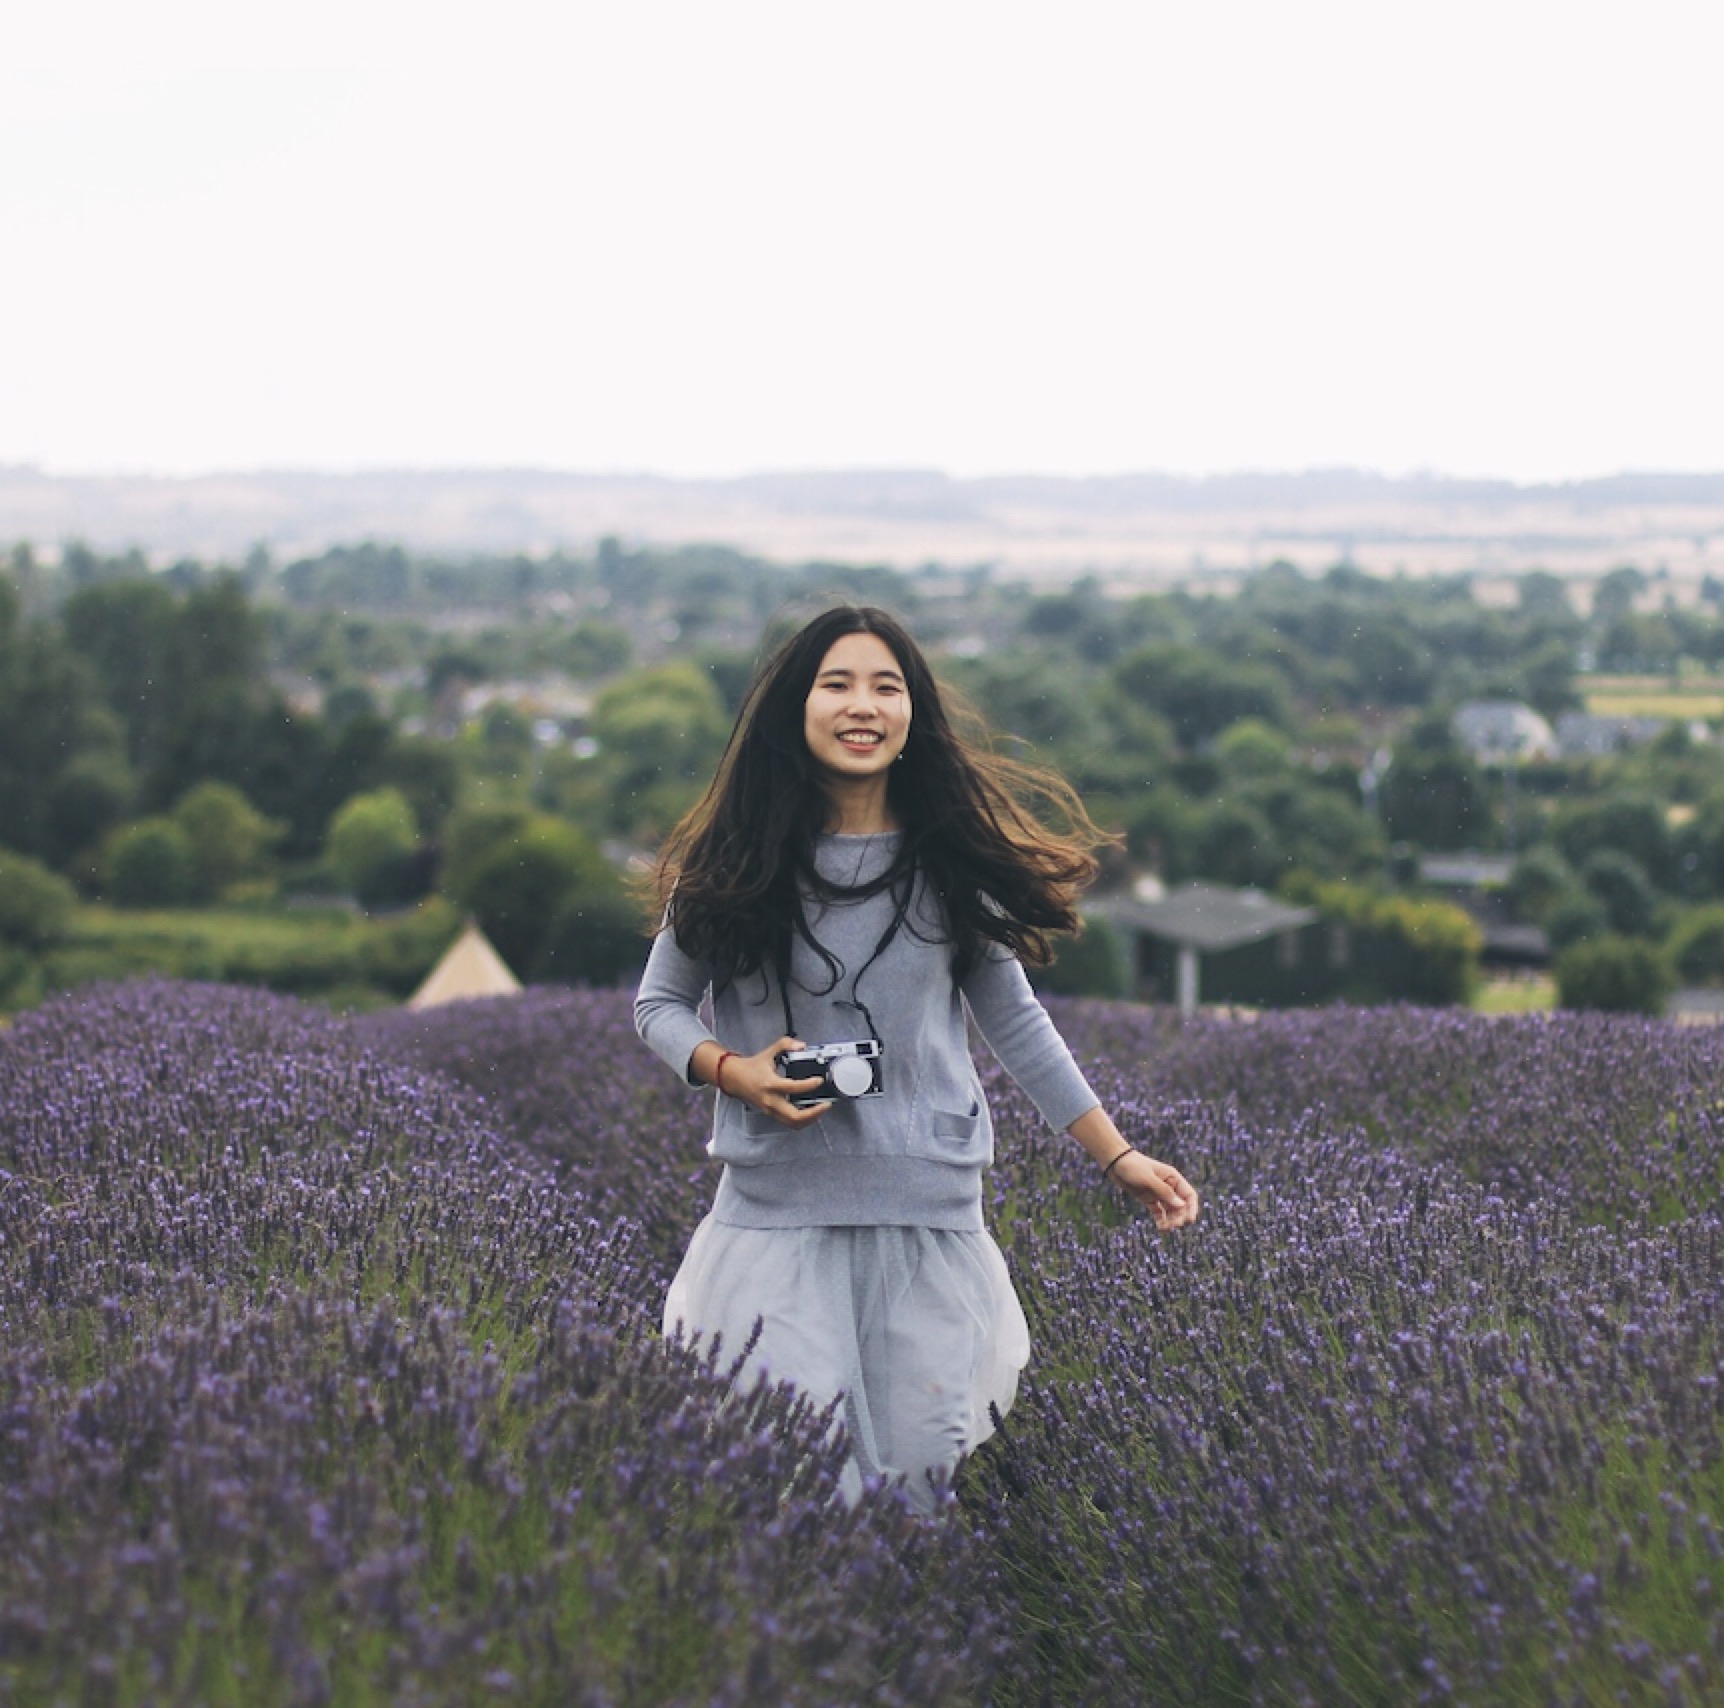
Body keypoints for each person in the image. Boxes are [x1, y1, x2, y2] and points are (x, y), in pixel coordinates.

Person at [634, 604, 1199, 1511]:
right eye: (837, 684)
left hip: (926, 1214)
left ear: (912, 714)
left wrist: (1116, 1155)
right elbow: (657, 1004)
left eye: (886, 687)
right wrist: (730, 1070)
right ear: (795, 708)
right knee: (798, 1482)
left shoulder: (950, 865)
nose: (863, 706)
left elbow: (1015, 1021)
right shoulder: (732, 861)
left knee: (917, 1487)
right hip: (777, 1214)